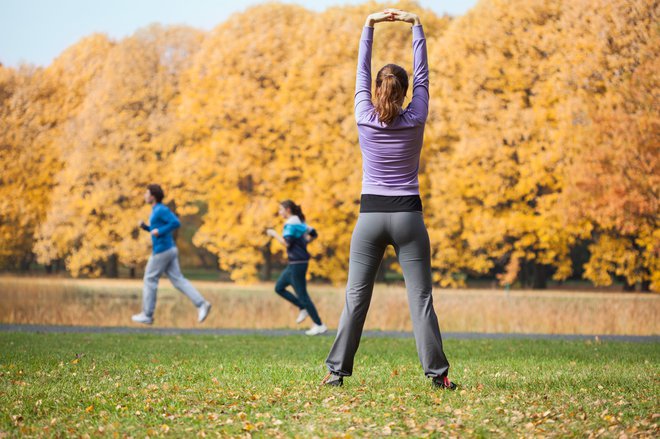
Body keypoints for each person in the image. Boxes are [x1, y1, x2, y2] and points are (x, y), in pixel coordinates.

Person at [322, 9, 456, 389]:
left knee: (355, 298)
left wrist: (370, 24)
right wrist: (416, 24)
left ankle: (336, 372)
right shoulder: (417, 116)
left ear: (377, 89)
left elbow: (360, 72)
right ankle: (438, 376)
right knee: (422, 299)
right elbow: (424, 74)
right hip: (409, 218)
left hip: (370, 218)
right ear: (406, 90)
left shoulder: (364, 114)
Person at [131, 184, 212, 325]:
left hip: (162, 250)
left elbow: (175, 222)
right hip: (169, 249)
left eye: (146, 193)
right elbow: (156, 229)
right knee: (178, 280)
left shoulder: (161, 209)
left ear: (153, 196)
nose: (144, 196)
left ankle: (147, 314)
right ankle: (201, 304)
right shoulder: (156, 210)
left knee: (150, 279)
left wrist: (160, 231)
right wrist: (146, 228)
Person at [266, 200, 327, 336]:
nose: (279, 212)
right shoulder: (299, 222)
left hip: (298, 263)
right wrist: (304, 242)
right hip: (295, 262)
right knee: (279, 287)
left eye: (281, 210)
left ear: (288, 210)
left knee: (303, 295)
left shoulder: (290, 224)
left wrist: (273, 234)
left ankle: (319, 324)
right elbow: (314, 233)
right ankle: (302, 307)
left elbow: (287, 243)